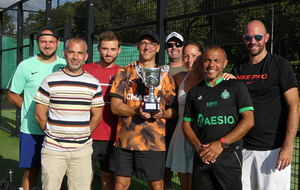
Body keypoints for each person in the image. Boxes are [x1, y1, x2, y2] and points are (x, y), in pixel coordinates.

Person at [232, 20, 300, 190]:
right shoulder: (237, 69)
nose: (253, 41)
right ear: (243, 39)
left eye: (258, 37)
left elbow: (295, 105)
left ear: (266, 38)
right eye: (248, 37)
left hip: (273, 150)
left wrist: (287, 146)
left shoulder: (280, 65)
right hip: (243, 148)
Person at [108, 29, 178, 190]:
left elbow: (174, 110)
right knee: (120, 185)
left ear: (158, 48)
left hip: (153, 142)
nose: (147, 47)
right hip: (125, 141)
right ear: (138, 46)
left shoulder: (165, 76)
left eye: (152, 43)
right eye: (144, 43)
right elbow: (115, 107)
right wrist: (137, 111)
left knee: (156, 185)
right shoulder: (124, 73)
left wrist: (162, 114)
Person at [34, 36, 104, 190]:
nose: (75, 57)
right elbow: (39, 114)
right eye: (71, 52)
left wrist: (83, 135)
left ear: (85, 56)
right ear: (64, 53)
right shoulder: (49, 80)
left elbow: (97, 115)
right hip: (53, 150)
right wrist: (52, 134)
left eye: (80, 53)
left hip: (82, 151)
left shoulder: (93, 83)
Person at [182, 45, 254, 190]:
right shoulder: (195, 92)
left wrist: (221, 143)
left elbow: (249, 120)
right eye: (207, 60)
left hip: (228, 155)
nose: (211, 65)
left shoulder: (236, 86)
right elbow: (186, 125)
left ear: (225, 63)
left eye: (216, 60)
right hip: (202, 156)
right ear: (202, 62)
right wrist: (199, 148)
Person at [7, 26, 66, 190]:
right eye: (43, 41)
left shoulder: (65, 65)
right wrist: (33, 111)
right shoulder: (25, 65)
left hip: (58, 129)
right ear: (37, 42)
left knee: (57, 174)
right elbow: (12, 95)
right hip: (31, 129)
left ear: (58, 43)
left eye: (51, 42)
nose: (47, 45)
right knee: (31, 172)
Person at [82, 31, 121, 190]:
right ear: (98, 48)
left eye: (113, 49)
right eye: (105, 48)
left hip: (113, 135)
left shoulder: (124, 72)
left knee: (107, 178)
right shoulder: (84, 69)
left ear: (119, 50)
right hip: (87, 133)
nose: (109, 53)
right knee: (84, 178)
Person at [166, 41, 204, 190]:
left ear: (202, 56)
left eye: (194, 56)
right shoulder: (179, 78)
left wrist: (229, 75)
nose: (190, 60)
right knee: (185, 186)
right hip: (181, 135)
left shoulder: (211, 79)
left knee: (200, 183)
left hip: (202, 135)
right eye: (186, 56)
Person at [164, 31, 187, 190]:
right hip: (163, 130)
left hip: (185, 130)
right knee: (164, 174)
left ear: (183, 47)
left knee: (185, 174)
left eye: (178, 44)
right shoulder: (159, 71)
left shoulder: (193, 70)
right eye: (170, 45)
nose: (174, 47)